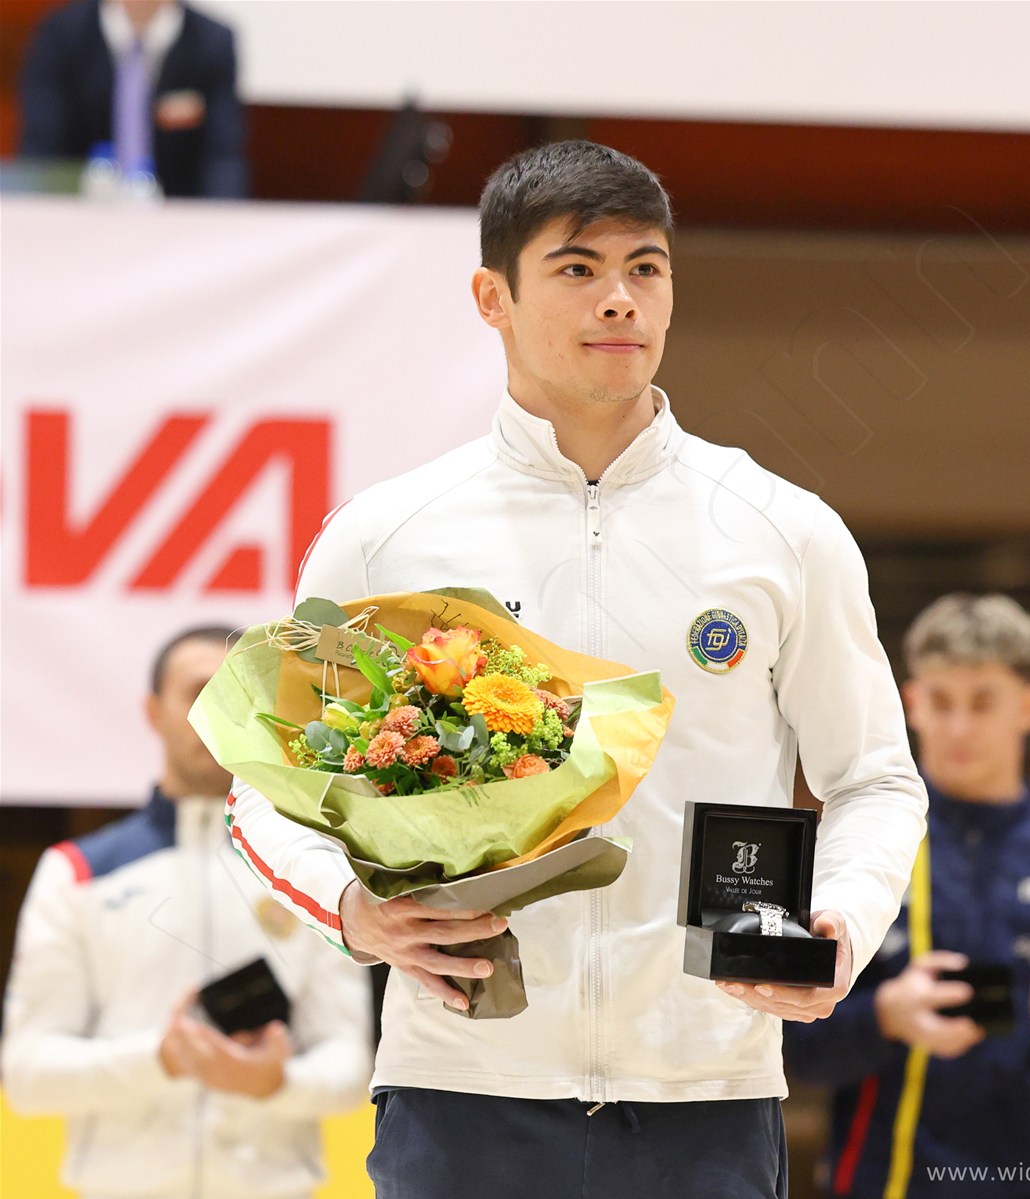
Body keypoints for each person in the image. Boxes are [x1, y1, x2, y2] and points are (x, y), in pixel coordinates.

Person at [226, 140, 928, 1199]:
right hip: (462, 1088)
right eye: (577, 268)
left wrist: (842, 920)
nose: (619, 299)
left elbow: (874, 777)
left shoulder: (784, 531)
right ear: (492, 297)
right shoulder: (386, 536)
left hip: (709, 1092)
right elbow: (263, 790)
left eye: (646, 268)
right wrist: (350, 909)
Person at [786, 593, 1030, 1197]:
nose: (959, 728)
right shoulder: (861, 850)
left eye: (983, 702)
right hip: (884, 1183)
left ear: (1029, 706)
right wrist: (885, 1016)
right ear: (910, 703)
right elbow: (793, 1052)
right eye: (941, 701)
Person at [2, 626, 373, 1199]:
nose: (218, 710)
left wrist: (275, 1083)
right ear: (154, 713)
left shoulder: (319, 871)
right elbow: (27, 1075)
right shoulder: (76, 872)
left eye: (238, 693)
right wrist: (160, 1060)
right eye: (199, 691)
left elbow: (350, 1066)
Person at [19, 0, 246, 198]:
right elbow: (42, 149)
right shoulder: (62, 35)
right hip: (79, 209)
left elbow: (222, 156)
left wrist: (219, 219)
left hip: (178, 213)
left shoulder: (211, 41)